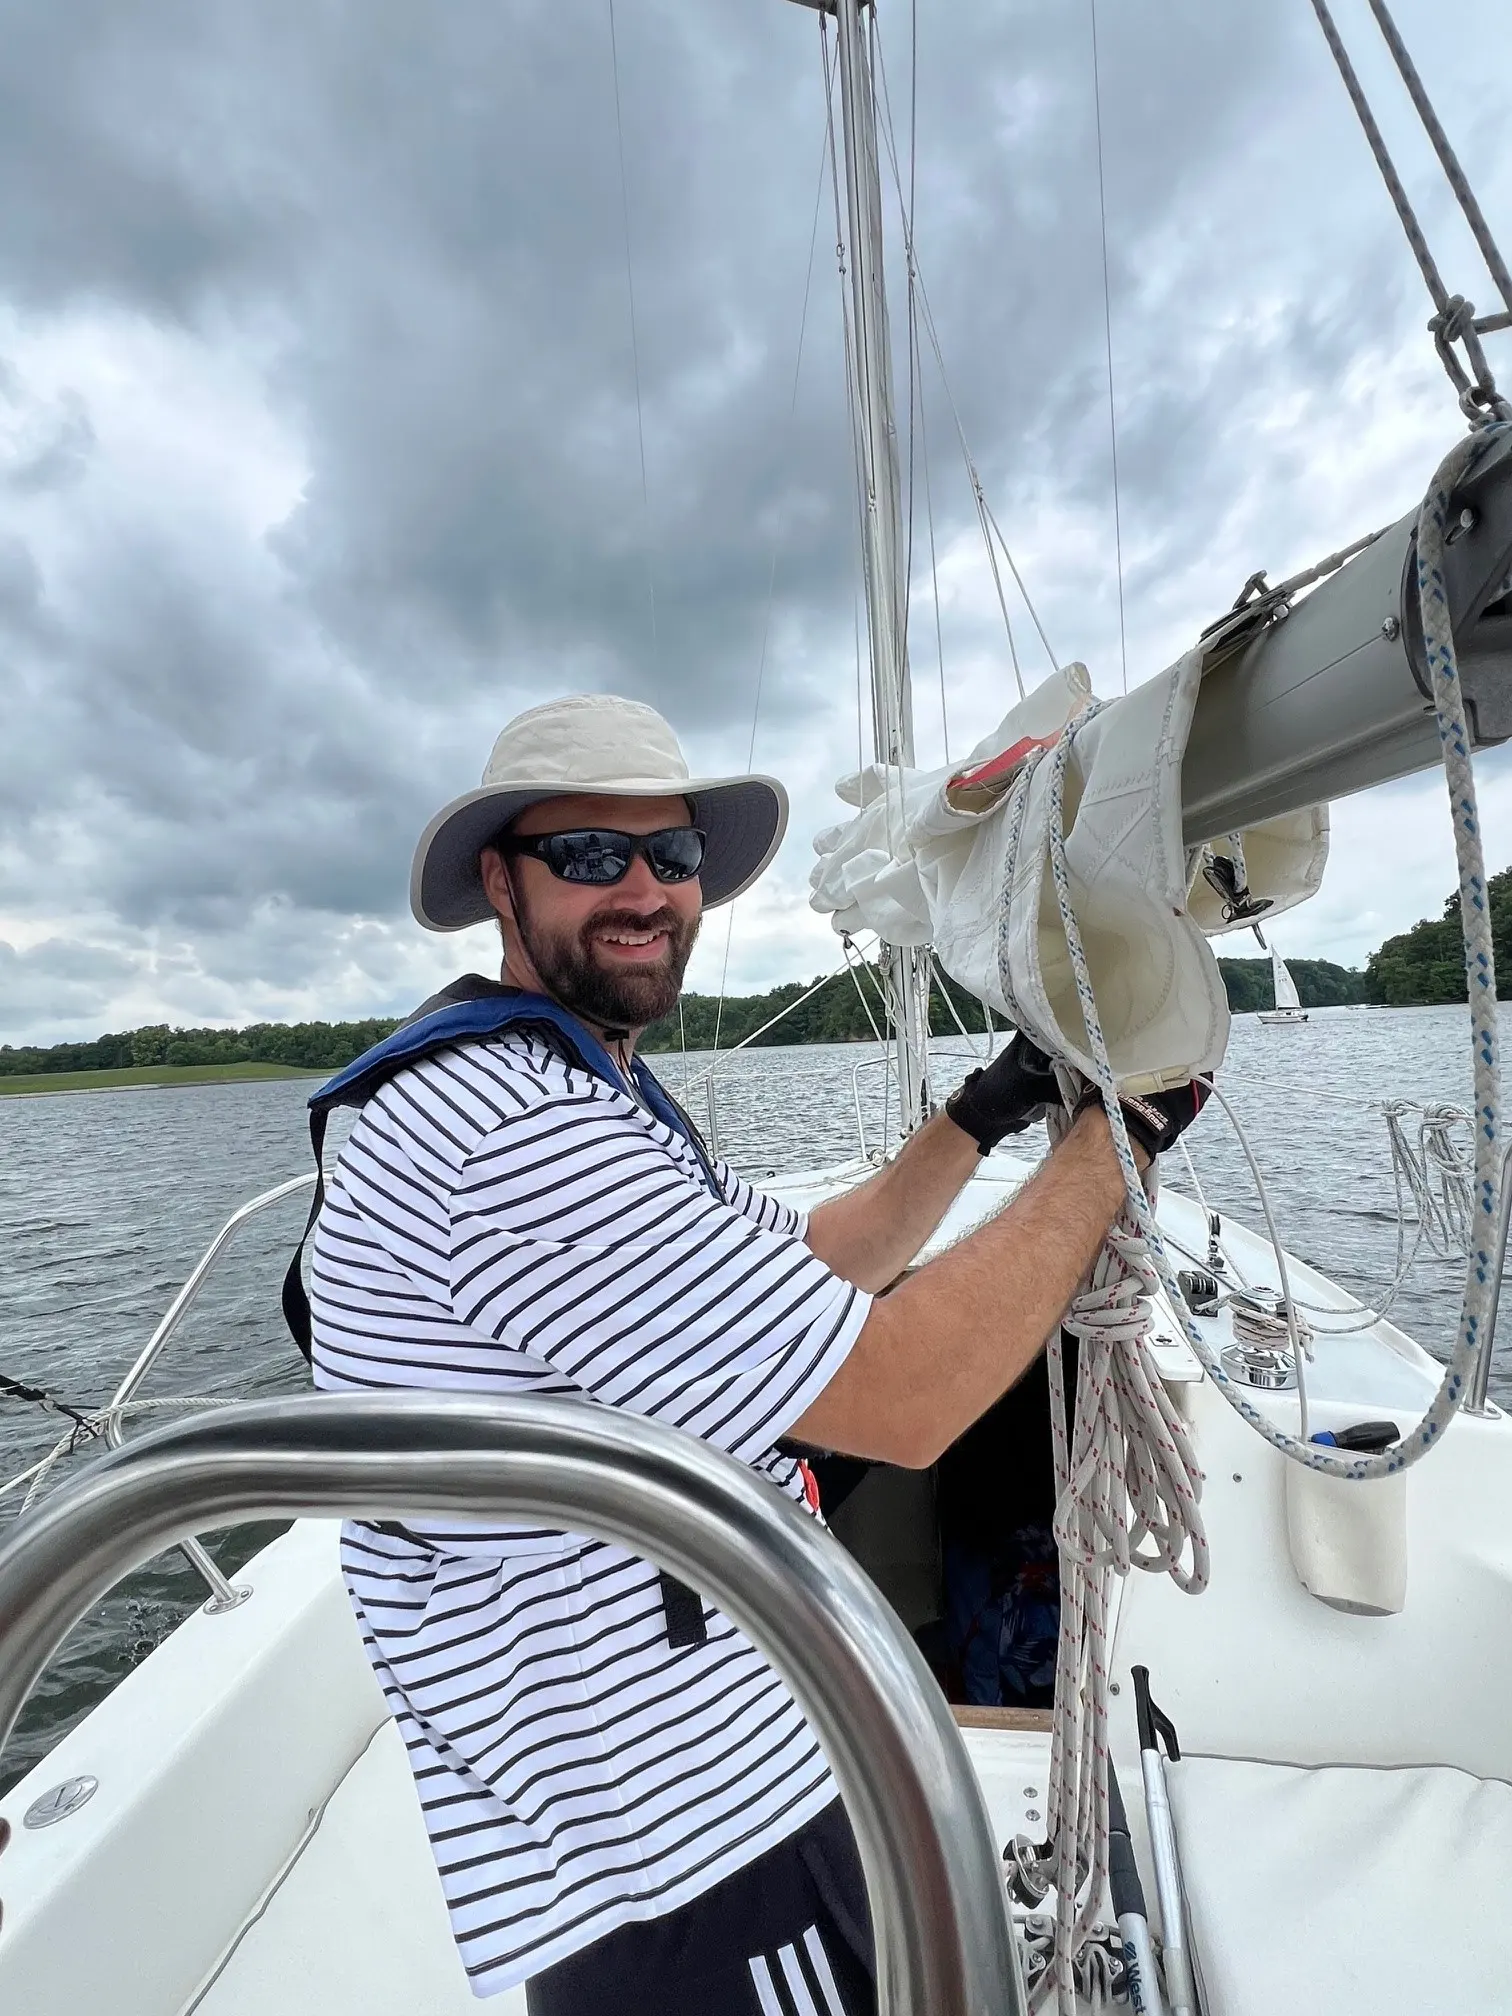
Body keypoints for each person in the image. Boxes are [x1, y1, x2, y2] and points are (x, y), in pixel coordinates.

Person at [308, 692, 1209, 2015]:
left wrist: (987, 1108)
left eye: (670, 858)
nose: (644, 891)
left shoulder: (570, 1090)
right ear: (499, 879)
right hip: (679, 1839)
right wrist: (1121, 1131)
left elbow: (818, 1255)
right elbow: (901, 1403)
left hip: (703, 1769)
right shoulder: (505, 1132)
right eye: (589, 855)